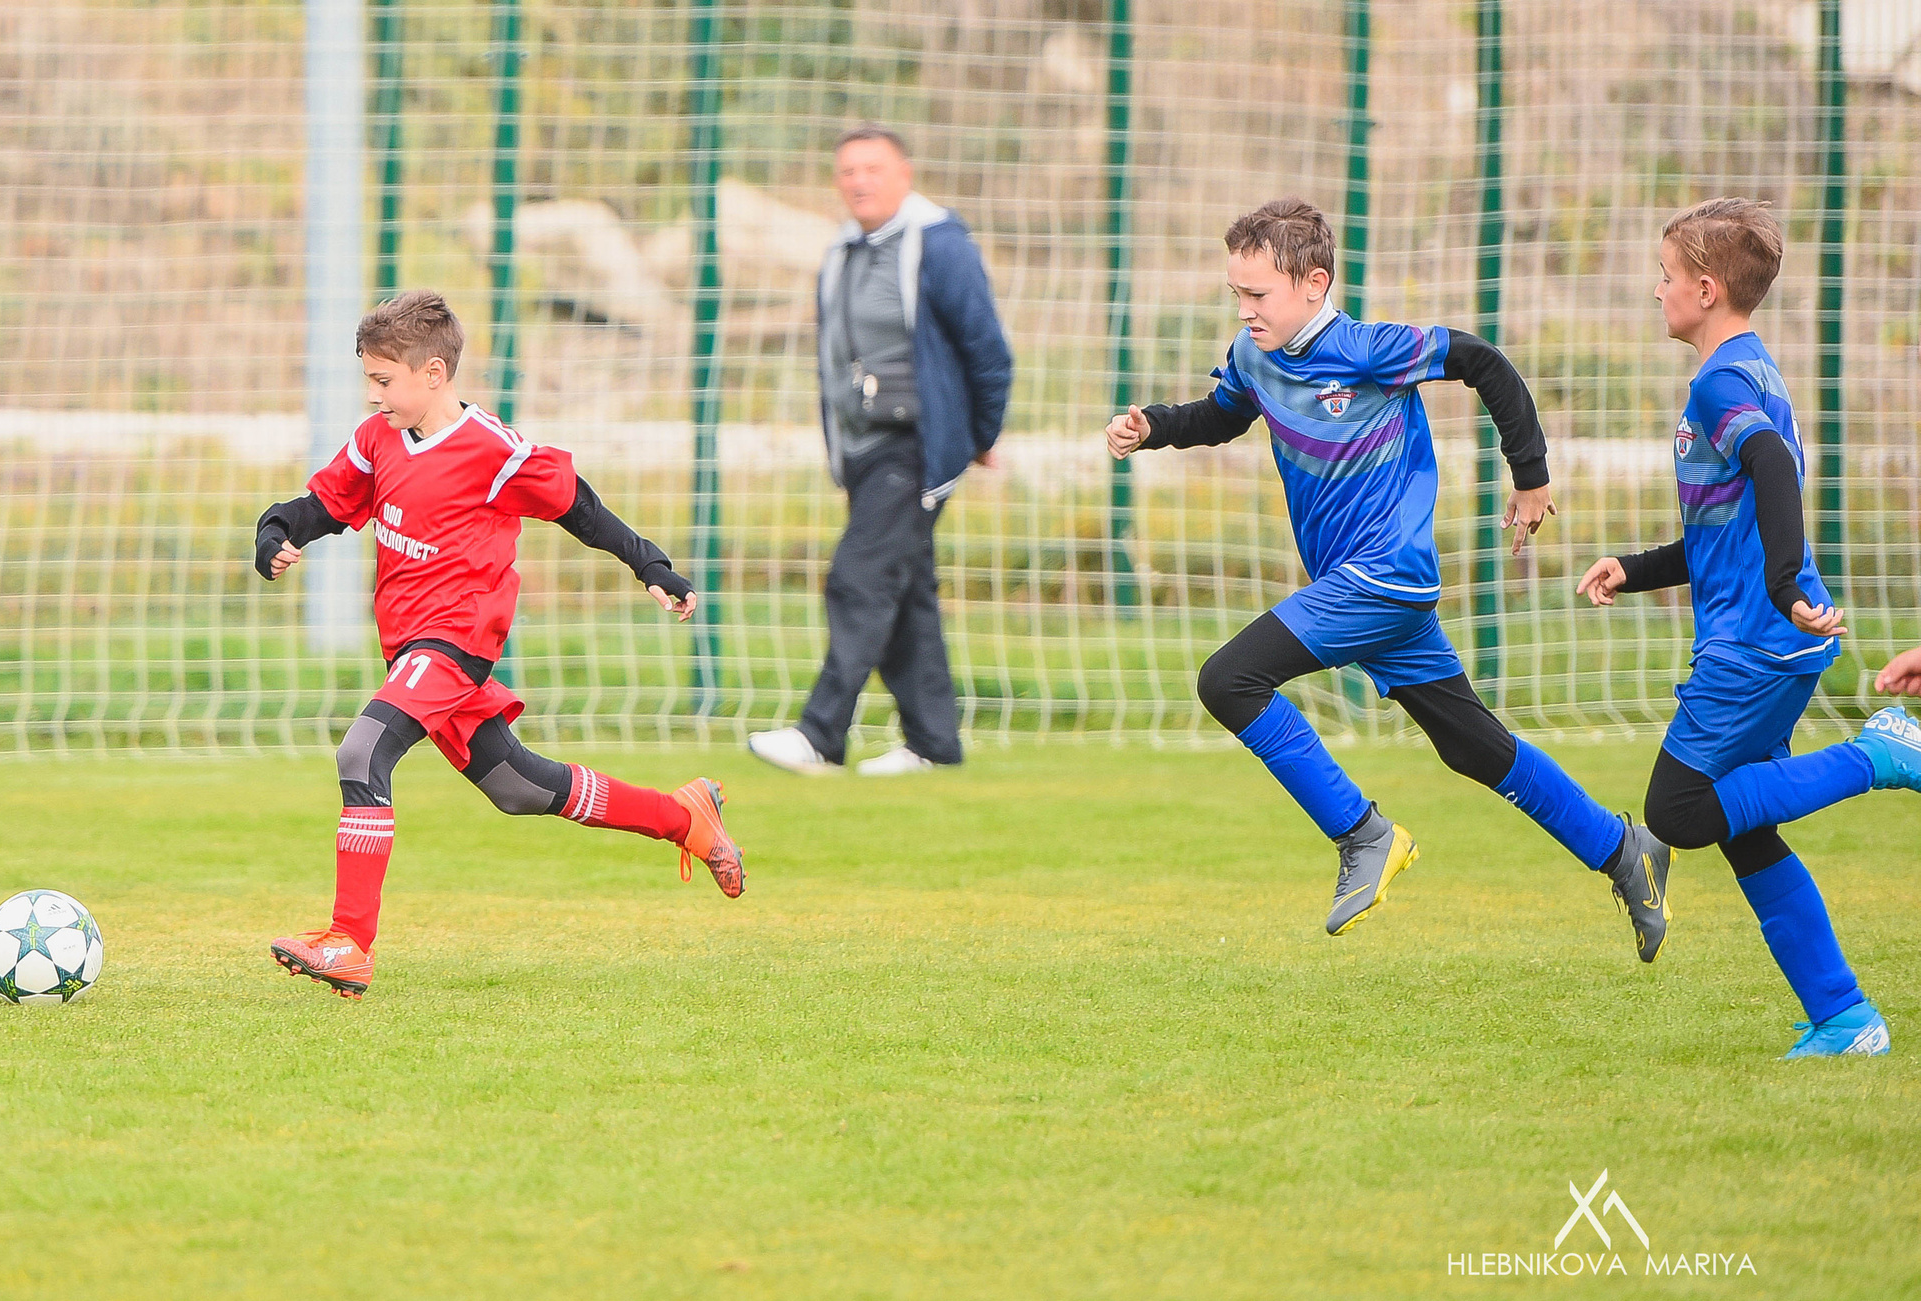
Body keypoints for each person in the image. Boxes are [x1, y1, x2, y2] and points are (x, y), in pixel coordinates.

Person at [1107, 198, 1672, 950]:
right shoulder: (1255, 356)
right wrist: (1154, 426)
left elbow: (1482, 362)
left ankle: (1363, 833)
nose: (1244, 310)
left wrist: (1530, 475)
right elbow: (1222, 414)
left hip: (1384, 577)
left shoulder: (1370, 347)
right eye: (1236, 294)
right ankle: (1623, 849)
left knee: (1229, 679)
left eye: (1258, 294)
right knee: (1473, 747)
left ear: (1314, 282)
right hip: (1363, 590)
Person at [252, 290, 744, 998]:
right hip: (411, 647)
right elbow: (322, 505)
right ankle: (684, 816)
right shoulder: (377, 440)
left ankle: (350, 940)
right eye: (368, 379)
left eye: (383, 380)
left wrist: (650, 563)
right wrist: (275, 532)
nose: (372, 395)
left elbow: (580, 506)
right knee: (518, 787)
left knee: (362, 750)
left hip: (456, 642)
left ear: (433, 374)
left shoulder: (492, 449)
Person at [1573, 198, 1919, 1058]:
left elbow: (1769, 466)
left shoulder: (1721, 382)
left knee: (1678, 811)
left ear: (1705, 286)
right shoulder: (1755, 367)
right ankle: (1844, 1016)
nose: (1655, 292)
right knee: (1744, 826)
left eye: (1663, 276)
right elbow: (1728, 523)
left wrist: (1780, 583)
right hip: (1773, 635)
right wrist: (1640, 567)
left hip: (1757, 643)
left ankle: (1880, 756)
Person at [747, 126, 1013, 778]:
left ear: (904, 174)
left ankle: (820, 734)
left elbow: (987, 350)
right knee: (906, 592)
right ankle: (934, 741)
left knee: (858, 579)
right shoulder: (841, 251)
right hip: (863, 449)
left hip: (915, 446)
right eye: (847, 171)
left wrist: (980, 435)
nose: (859, 181)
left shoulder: (941, 244)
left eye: (872, 168)